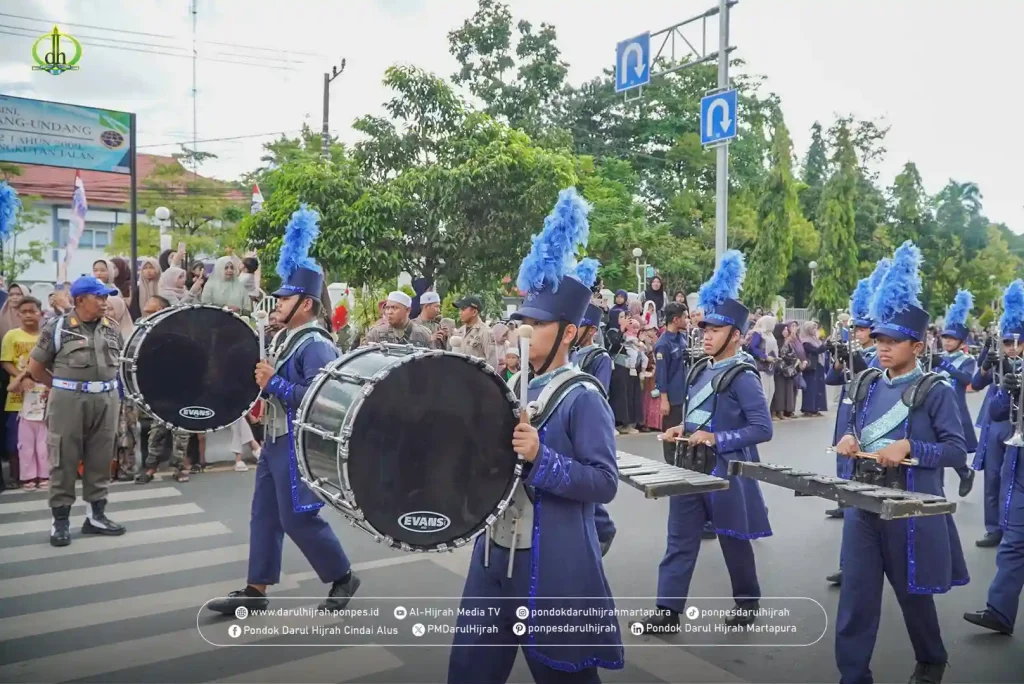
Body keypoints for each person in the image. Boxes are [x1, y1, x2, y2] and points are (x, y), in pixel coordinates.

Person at [448, 188, 622, 684]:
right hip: (491, 557)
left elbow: (603, 481)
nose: (523, 331)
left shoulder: (583, 395)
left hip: (548, 562)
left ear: (568, 333)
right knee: (468, 671)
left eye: (537, 323)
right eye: (522, 320)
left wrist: (542, 458)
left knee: (563, 675)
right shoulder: (512, 385)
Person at [207, 205, 358, 617]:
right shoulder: (285, 337)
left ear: (306, 304)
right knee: (264, 517)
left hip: (296, 441)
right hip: (274, 438)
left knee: (298, 518)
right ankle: (256, 590)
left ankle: (342, 575)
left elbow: (323, 398)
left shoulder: (317, 344)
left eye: (286, 297)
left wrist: (273, 383)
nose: (277, 302)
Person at [832, 241, 968, 684]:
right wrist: (848, 439)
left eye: (893, 341)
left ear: (917, 342)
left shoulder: (937, 389)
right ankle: (853, 675)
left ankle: (931, 656)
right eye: (880, 339)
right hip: (864, 502)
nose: (883, 348)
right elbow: (849, 425)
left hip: (911, 508)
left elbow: (956, 448)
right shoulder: (868, 382)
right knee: (856, 596)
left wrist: (910, 447)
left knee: (912, 593)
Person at [644, 250, 772, 635]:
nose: (707, 335)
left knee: (733, 538)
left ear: (735, 335)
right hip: (689, 466)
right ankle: (667, 611)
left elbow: (762, 429)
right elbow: (695, 415)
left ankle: (748, 600)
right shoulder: (700, 366)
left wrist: (718, 437)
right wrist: (680, 430)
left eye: (715, 331)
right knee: (679, 539)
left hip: (726, 470)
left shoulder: (744, 375)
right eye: (706, 329)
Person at [28, 276, 127, 547]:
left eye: (106, 297)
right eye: (100, 297)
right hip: (69, 401)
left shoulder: (111, 327)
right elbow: (35, 367)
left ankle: (96, 517)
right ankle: (60, 522)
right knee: (64, 459)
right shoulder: (57, 327)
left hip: (106, 399)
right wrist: (62, 388)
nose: (105, 302)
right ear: (80, 300)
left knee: (101, 457)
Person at [964, 334, 1024, 635]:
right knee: (1014, 543)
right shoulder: (1019, 369)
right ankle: (1000, 611)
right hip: (1020, 462)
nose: (1012, 347)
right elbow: (998, 412)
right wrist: (1009, 392)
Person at [971, 282, 1024, 549]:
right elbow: (976, 384)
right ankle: (993, 529)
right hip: (996, 423)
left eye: (1017, 343)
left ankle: (1012, 527)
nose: (1011, 347)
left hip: (1019, 424)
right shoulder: (996, 358)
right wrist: (986, 365)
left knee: (1013, 478)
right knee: (992, 477)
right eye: (1007, 342)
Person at [571, 303, 616, 557]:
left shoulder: (600, 358)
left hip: (589, 418)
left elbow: (600, 392)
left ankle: (604, 528)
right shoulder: (574, 354)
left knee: (593, 476)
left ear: (590, 330)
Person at [933, 290, 978, 498]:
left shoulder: (967, 360)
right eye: (945, 338)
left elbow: (966, 379)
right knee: (932, 445)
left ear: (961, 342)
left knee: (952, 447)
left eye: (952, 340)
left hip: (955, 408)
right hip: (934, 406)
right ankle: (936, 486)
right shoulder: (939, 356)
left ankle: (964, 472)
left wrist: (943, 364)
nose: (947, 342)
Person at [2, 297, 44, 489]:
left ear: (40, 313)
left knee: (42, 440)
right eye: (24, 311)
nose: (28, 315)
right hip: (18, 396)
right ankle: (18, 475)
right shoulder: (11, 335)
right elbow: (6, 361)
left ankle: (43, 474)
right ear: (18, 315)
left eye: (32, 311)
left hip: (42, 395)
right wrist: (23, 377)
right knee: (16, 440)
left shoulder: (46, 336)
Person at [653, 302, 688, 464]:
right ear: (675, 319)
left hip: (685, 393)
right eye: (685, 317)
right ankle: (670, 464)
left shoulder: (683, 338)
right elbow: (661, 375)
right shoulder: (663, 344)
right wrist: (664, 400)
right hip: (672, 397)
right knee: (670, 434)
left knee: (684, 433)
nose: (687, 320)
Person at [361, 291, 433, 347]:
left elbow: (431, 362)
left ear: (407, 310)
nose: (389, 312)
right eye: (387, 308)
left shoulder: (423, 334)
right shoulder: (376, 333)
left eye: (394, 308)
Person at [455, 295, 498, 368]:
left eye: (463, 309)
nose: (460, 313)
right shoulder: (459, 331)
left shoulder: (485, 332)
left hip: (476, 377)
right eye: (460, 309)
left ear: (474, 312)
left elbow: (492, 362)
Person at [747, 314, 778, 410]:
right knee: (764, 393)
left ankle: (767, 413)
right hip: (761, 366)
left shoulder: (770, 334)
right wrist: (764, 356)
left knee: (771, 391)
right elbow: (752, 348)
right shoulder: (758, 333)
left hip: (771, 366)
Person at [798, 321, 828, 416]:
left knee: (818, 386)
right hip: (811, 366)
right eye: (812, 328)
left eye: (815, 328)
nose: (815, 330)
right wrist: (825, 345)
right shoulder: (805, 341)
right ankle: (808, 408)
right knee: (810, 387)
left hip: (818, 365)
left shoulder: (815, 339)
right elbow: (816, 350)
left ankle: (816, 407)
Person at [771, 323, 798, 420]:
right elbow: (781, 354)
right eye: (784, 329)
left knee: (787, 391)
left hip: (789, 369)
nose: (786, 331)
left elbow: (794, 353)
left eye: (787, 329)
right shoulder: (777, 341)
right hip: (780, 369)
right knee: (779, 391)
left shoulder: (788, 341)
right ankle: (778, 411)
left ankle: (786, 411)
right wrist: (786, 343)